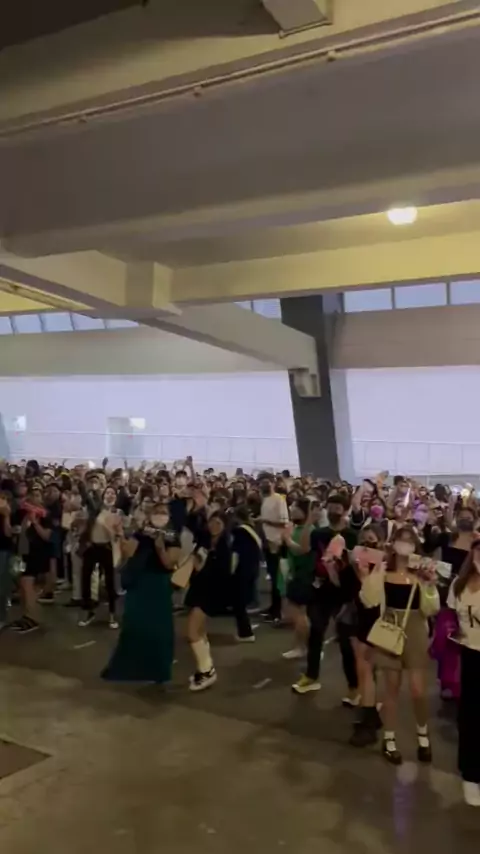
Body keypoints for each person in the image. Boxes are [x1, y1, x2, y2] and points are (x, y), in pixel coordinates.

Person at [359, 526, 440, 764]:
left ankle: (423, 736)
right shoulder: (384, 571)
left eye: (409, 540)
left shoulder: (421, 574)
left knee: (418, 690)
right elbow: (369, 600)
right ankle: (389, 739)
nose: (404, 545)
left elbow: (431, 609)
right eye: (400, 540)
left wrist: (430, 585)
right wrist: (370, 574)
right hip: (389, 630)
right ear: (392, 543)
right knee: (391, 690)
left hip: (415, 631)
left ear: (416, 545)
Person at [102, 501, 181, 684]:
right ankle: (132, 668)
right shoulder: (143, 532)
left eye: (163, 512)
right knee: (134, 623)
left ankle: (158, 670)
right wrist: (119, 533)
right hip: (139, 583)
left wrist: (160, 548)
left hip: (159, 584)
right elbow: (128, 552)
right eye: (156, 512)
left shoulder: (172, 536)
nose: (160, 515)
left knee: (158, 628)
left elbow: (169, 564)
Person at [293, 493, 357, 694]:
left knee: (346, 641)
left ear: (345, 511)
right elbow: (304, 548)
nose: (333, 511)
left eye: (338, 508)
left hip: (344, 593)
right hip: (320, 591)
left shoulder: (352, 536)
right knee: (316, 633)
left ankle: (354, 686)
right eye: (330, 507)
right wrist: (309, 521)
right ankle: (311, 676)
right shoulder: (319, 533)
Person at [343, 525, 385, 746]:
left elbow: (372, 599)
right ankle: (370, 715)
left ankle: (369, 720)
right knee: (363, 669)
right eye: (364, 542)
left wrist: (365, 576)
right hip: (360, 620)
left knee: (368, 668)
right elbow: (348, 590)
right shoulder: (355, 564)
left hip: (377, 620)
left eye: (372, 541)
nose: (368, 546)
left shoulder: (383, 567)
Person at [447, 543, 480, 806]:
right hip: (469, 655)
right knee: (470, 716)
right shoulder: (459, 584)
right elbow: (449, 616)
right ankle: (470, 774)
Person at [185, 512, 232, 691]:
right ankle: (204, 667)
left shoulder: (225, 547)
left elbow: (222, 573)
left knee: (192, 632)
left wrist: (202, 567)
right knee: (200, 631)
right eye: (212, 521)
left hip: (211, 592)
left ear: (225, 526)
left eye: (218, 523)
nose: (214, 526)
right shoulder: (204, 540)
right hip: (198, 589)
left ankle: (207, 670)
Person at [78, 485, 122, 629]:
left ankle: (112, 614)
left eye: (113, 493)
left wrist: (112, 530)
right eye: (107, 493)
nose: (110, 495)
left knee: (110, 582)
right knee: (85, 578)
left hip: (107, 548)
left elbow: (119, 534)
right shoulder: (96, 510)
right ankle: (88, 611)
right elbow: (86, 497)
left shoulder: (117, 513)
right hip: (92, 547)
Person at [281, 498, 316, 660]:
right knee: (298, 614)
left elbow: (303, 550)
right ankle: (302, 647)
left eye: (295, 508)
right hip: (296, 574)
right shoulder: (297, 528)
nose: (291, 509)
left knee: (299, 615)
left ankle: (303, 647)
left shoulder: (308, 530)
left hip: (303, 576)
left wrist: (287, 540)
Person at [258, 473, 289, 623]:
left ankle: (277, 611)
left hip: (276, 542)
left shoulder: (279, 499)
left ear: (273, 483)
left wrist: (265, 521)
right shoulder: (265, 499)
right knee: (272, 576)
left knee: (277, 578)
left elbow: (284, 522)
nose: (265, 485)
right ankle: (272, 607)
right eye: (262, 482)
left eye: (267, 482)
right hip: (267, 541)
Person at [230, 505, 263, 642]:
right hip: (253, 568)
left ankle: (245, 633)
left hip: (242, 570)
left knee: (239, 604)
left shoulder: (240, 532)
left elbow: (235, 554)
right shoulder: (252, 529)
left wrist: (230, 571)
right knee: (242, 602)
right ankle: (246, 629)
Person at [0, 491, 13, 629]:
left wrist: (6, 516)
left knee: (2, 583)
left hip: (3, 549)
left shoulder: (7, 512)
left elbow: (8, 533)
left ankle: (2, 617)